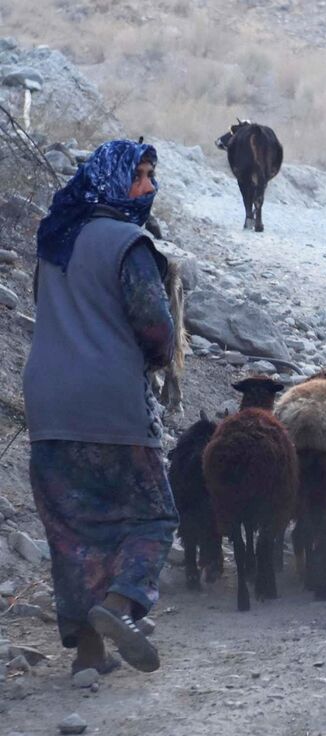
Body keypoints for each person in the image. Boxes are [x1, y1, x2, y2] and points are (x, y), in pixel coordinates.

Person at [25, 139, 177, 676]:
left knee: (72, 530)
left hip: (47, 409)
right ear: (115, 181)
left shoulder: (53, 244)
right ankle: (121, 606)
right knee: (154, 515)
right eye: (140, 176)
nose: (149, 188)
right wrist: (159, 361)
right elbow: (156, 328)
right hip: (111, 406)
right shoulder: (129, 244)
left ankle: (87, 655)